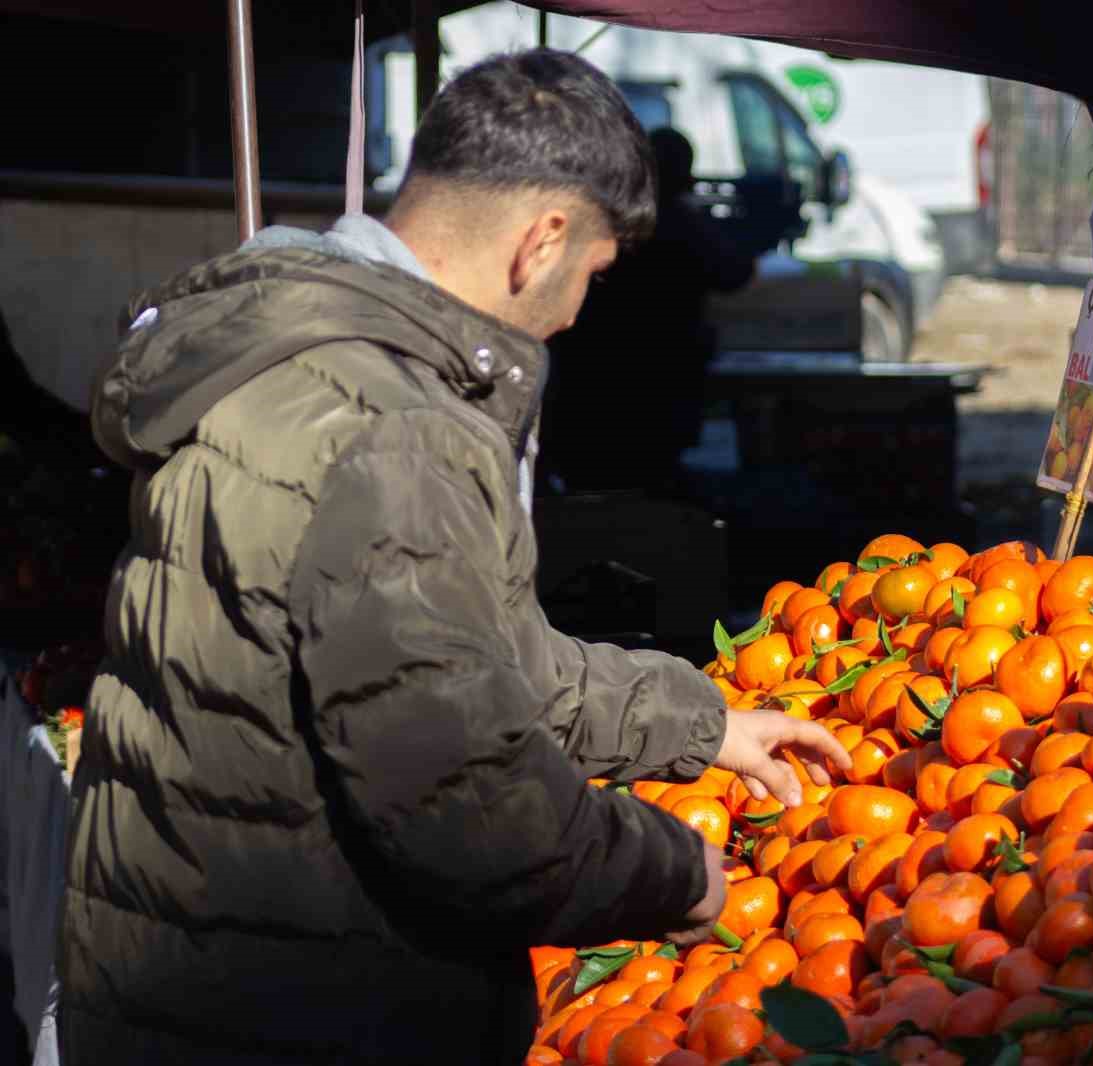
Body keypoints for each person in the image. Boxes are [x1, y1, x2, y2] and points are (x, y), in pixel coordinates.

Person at [58, 50, 849, 1066]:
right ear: (541, 242)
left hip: (171, 979)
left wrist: (697, 726)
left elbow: (457, 654)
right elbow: (466, 800)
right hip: (297, 1008)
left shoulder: (280, 347)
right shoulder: (396, 424)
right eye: (593, 277)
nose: (573, 314)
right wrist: (673, 870)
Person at [540, 126, 765, 492]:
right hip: (653, 392)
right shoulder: (678, 224)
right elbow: (734, 273)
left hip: (596, 392)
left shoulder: (609, 218)